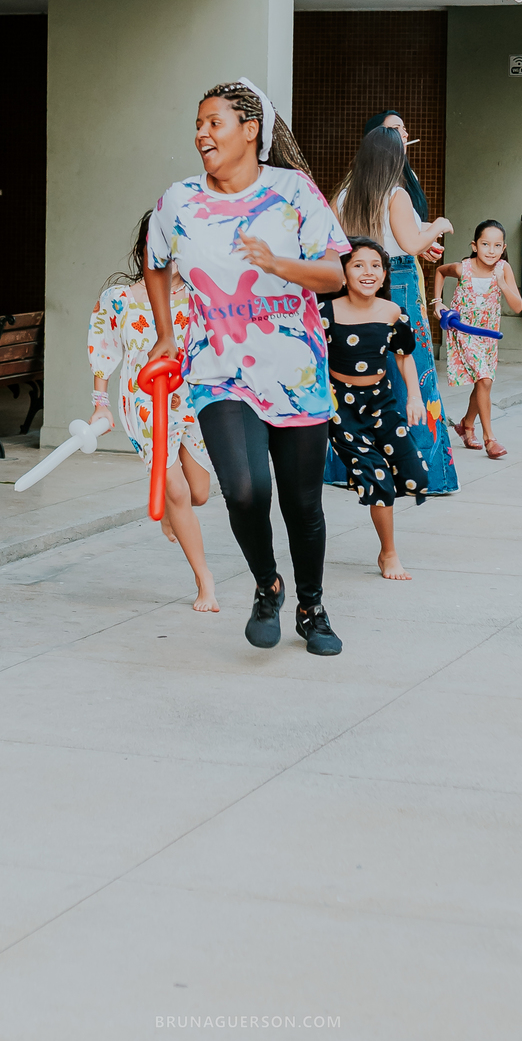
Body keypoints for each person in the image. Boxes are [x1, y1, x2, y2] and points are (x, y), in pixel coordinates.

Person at [144, 78, 350, 656]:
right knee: (244, 490)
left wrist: (280, 263)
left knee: (302, 502)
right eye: (198, 124)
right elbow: (154, 260)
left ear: (250, 130)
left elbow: (335, 275)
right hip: (218, 369)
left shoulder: (294, 192)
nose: (201, 133)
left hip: (297, 371)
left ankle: (311, 606)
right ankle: (268, 585)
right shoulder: (178, 200)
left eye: (214, 122)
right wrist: (165, 331)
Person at [88, 211, 218, 613]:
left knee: (198, 492)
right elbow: (103, 349)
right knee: (177, 491)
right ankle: (204, 581)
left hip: (188, 401)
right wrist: (100, 406)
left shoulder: (198, 297)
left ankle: (172, 512)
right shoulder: (119, 299)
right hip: (141, 403)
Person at [331, 125, 458, 494]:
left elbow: (338, 247)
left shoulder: (342, 196)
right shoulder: (395, 194)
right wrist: (438, 225)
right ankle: (425, 474)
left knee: (358, 369)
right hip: (396, 282)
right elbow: (410, 242)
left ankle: (347, 467)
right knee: (411, 369)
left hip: (352, 283)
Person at [320, 238, 429, 581]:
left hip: (382, 403)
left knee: (414, 473)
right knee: (377, 478)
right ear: (343, 273)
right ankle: (389, 553)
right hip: (342, 409)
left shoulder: (393, 313)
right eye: (358, 265)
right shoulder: (327, 313)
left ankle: (387, 549)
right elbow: (313, 360)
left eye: (375, 266)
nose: (368, 272)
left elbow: (404, 356)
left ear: (384, 276)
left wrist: (415, 397)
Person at [438, 220, 522, 458]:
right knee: (484, 379)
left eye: (497, 245)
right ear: (475, 246)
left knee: (483, 382)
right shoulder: (463, 268)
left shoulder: (503, 269)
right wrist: (437, 302)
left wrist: (502, 283)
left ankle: (466, 425)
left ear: (503, 247)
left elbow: (518, 307)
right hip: (464, 332)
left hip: (488, 335)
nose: (491, 250)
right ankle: (490, 439)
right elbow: (439, 271)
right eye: (486, 244)